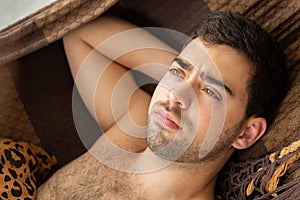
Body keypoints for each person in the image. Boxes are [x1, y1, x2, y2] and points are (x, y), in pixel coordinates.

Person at [36, 12, 288, 199]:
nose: (176, 95)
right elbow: (77, 29)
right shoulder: (130, 121)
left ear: (246, 133)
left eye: (211, 91)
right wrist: (192, 69)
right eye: (176, 72)